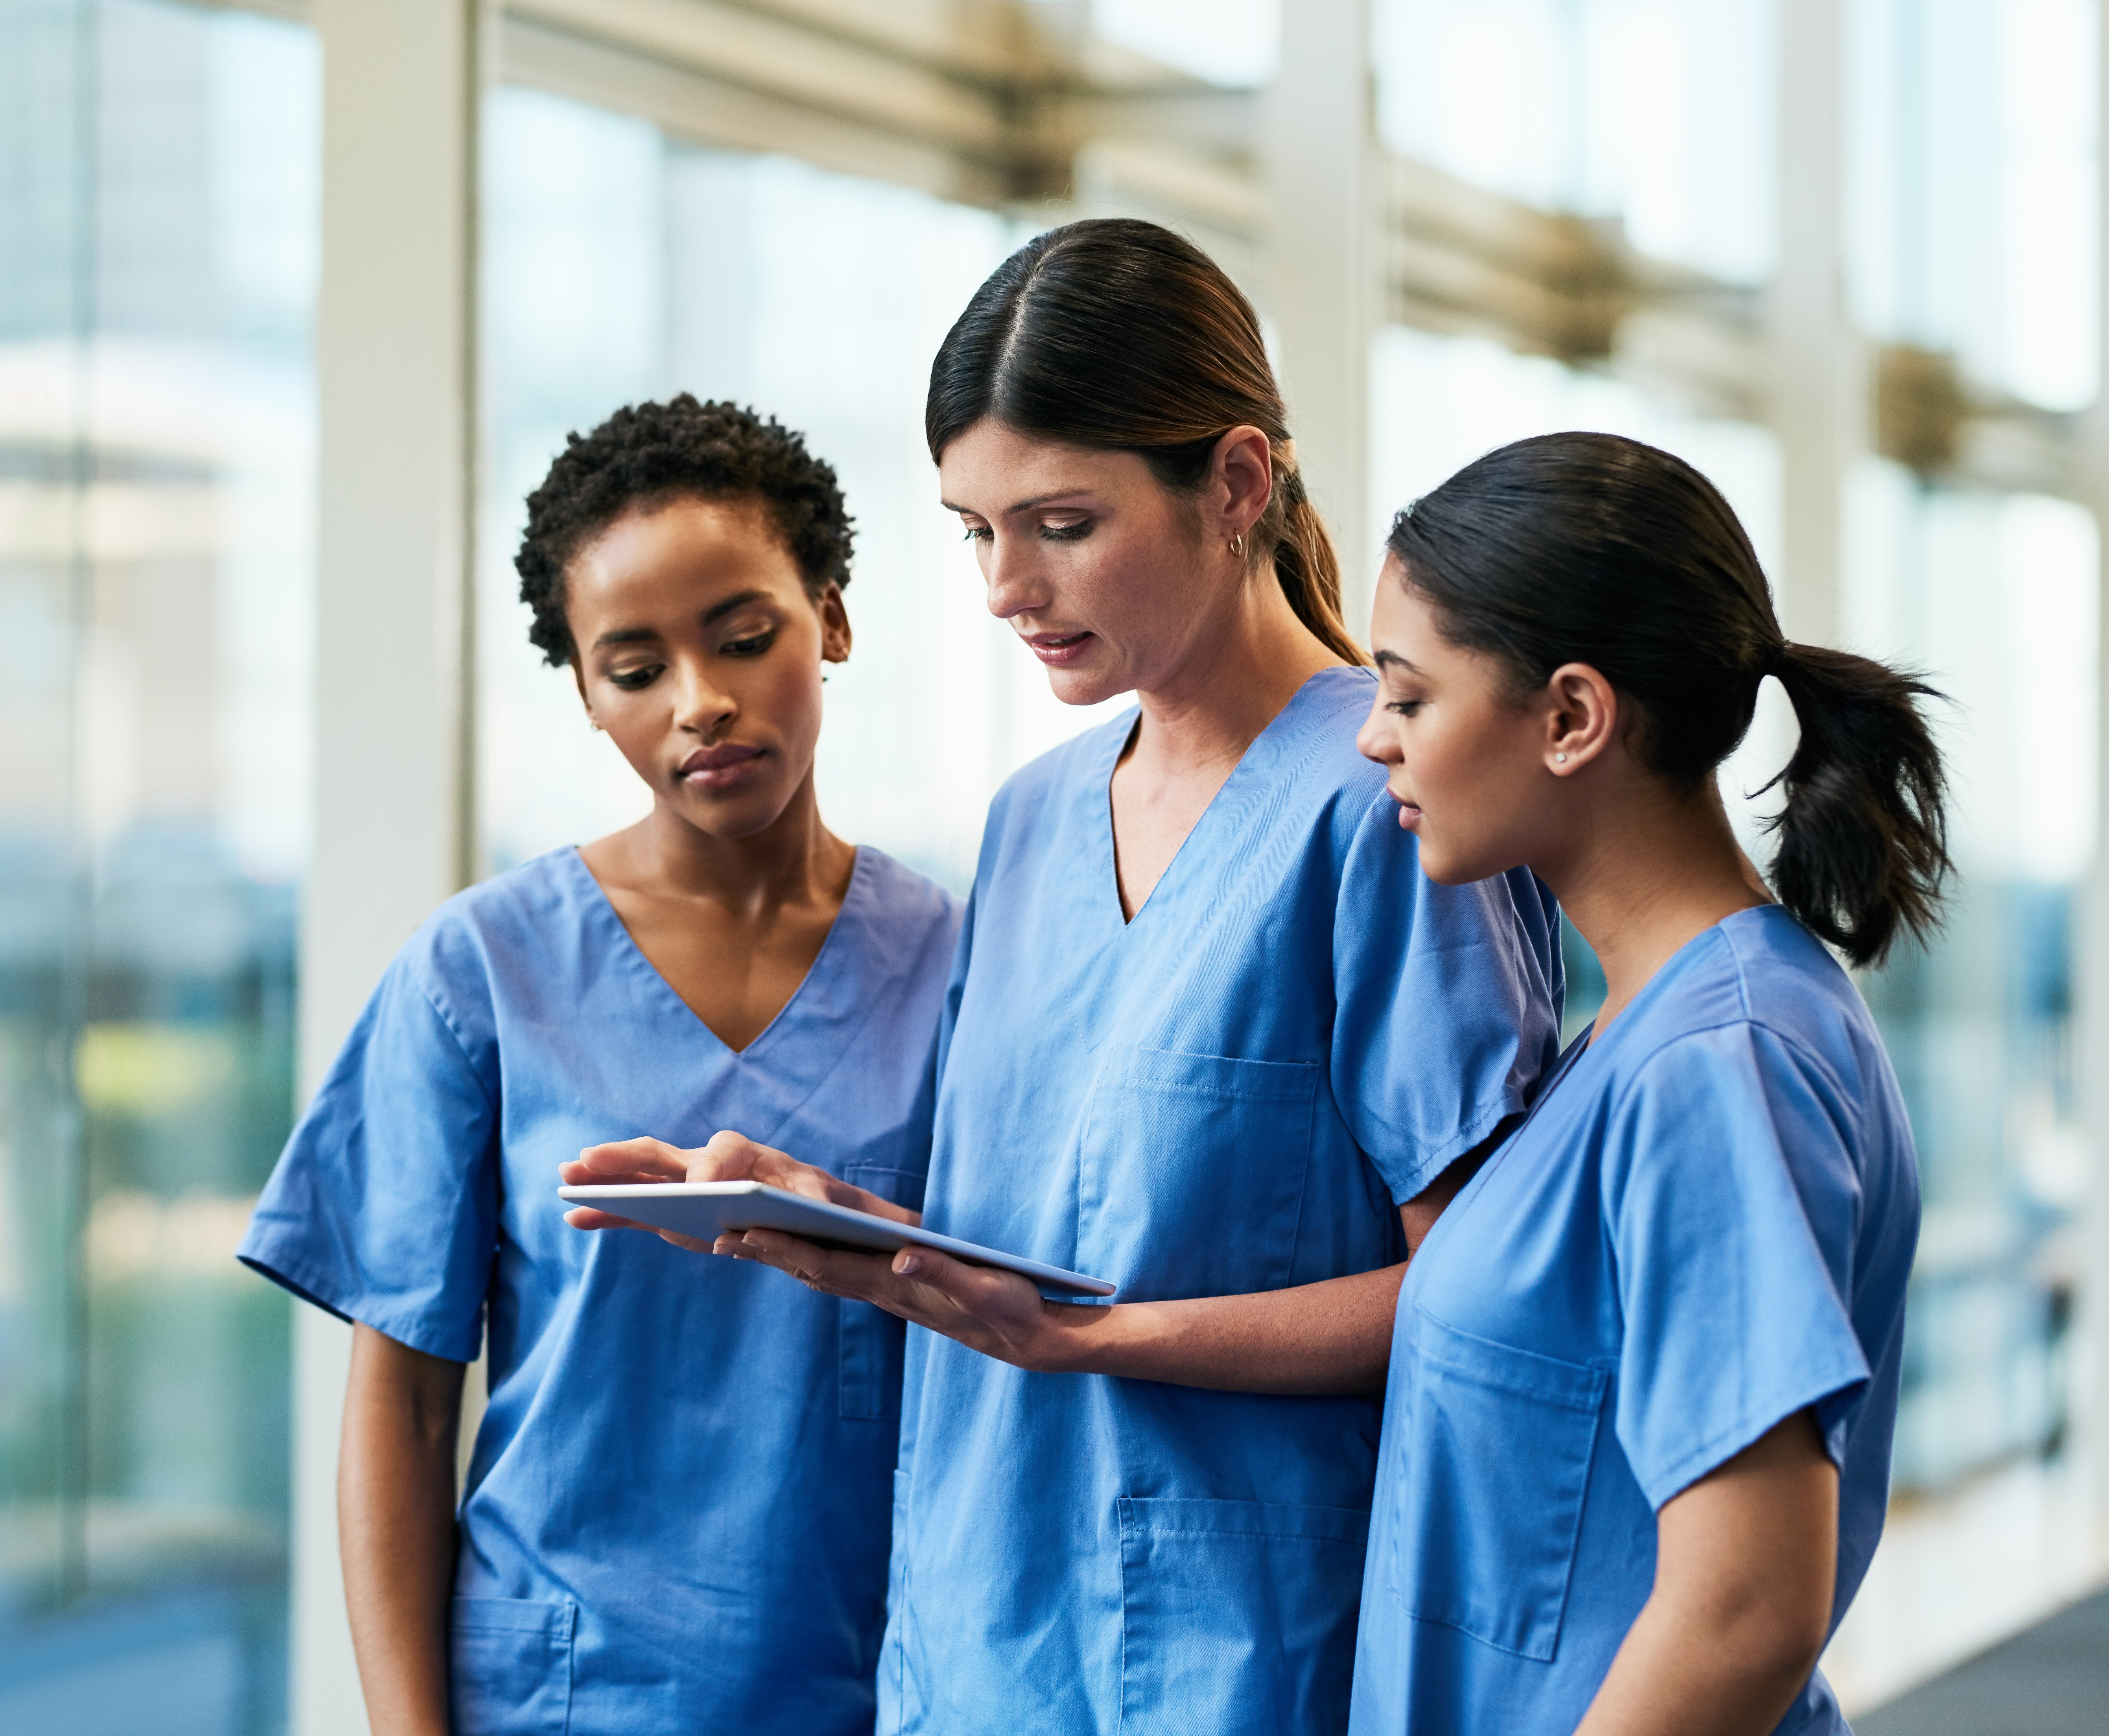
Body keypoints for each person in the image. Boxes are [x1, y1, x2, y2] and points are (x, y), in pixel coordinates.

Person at [568, 220, 1563, 1734]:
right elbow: (1043, 1251)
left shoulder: (1393, 806)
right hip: (977, 1633)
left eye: (1059, 523)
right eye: (974, 530)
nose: (1004, 586)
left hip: (1241, 1656)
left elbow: (1487, 1304)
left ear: (1235, 484)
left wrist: (1106, 1340)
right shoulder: (1030, 823)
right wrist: (834, 1222)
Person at [237, 397, 961, 1736]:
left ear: (835, 620)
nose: (703, 703)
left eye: (745, 639)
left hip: (881, 1678)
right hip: (564, 1692)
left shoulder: (963, 966)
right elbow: (399, 1409)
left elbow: (999, 1317)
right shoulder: (480, 976)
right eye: (634, 670)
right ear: (583, 691)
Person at [1347, 432, 1934, 1736]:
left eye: (1407, 695)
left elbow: (1744, 1610)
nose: (1371, 740)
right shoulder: (1649, 1034)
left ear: (1569, 717)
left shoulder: (1716, 1065)